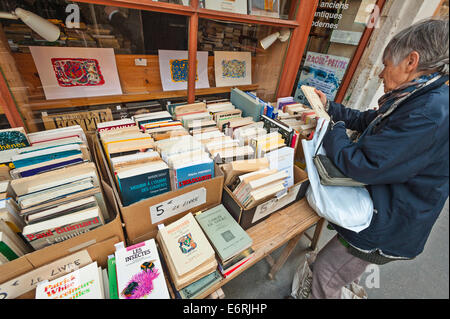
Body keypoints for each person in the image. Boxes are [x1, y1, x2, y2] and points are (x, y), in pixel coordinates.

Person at [309, 17, 449, 299]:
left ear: (412, 61)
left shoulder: (428, 112)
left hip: (389, 222)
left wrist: (331, 129)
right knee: (344, 268)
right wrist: (331, 109)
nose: (380, 74)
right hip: (388, 208)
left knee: (325, 272)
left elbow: (364, 165)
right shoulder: (420, 95)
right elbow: (369, 120)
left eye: (386, 65)